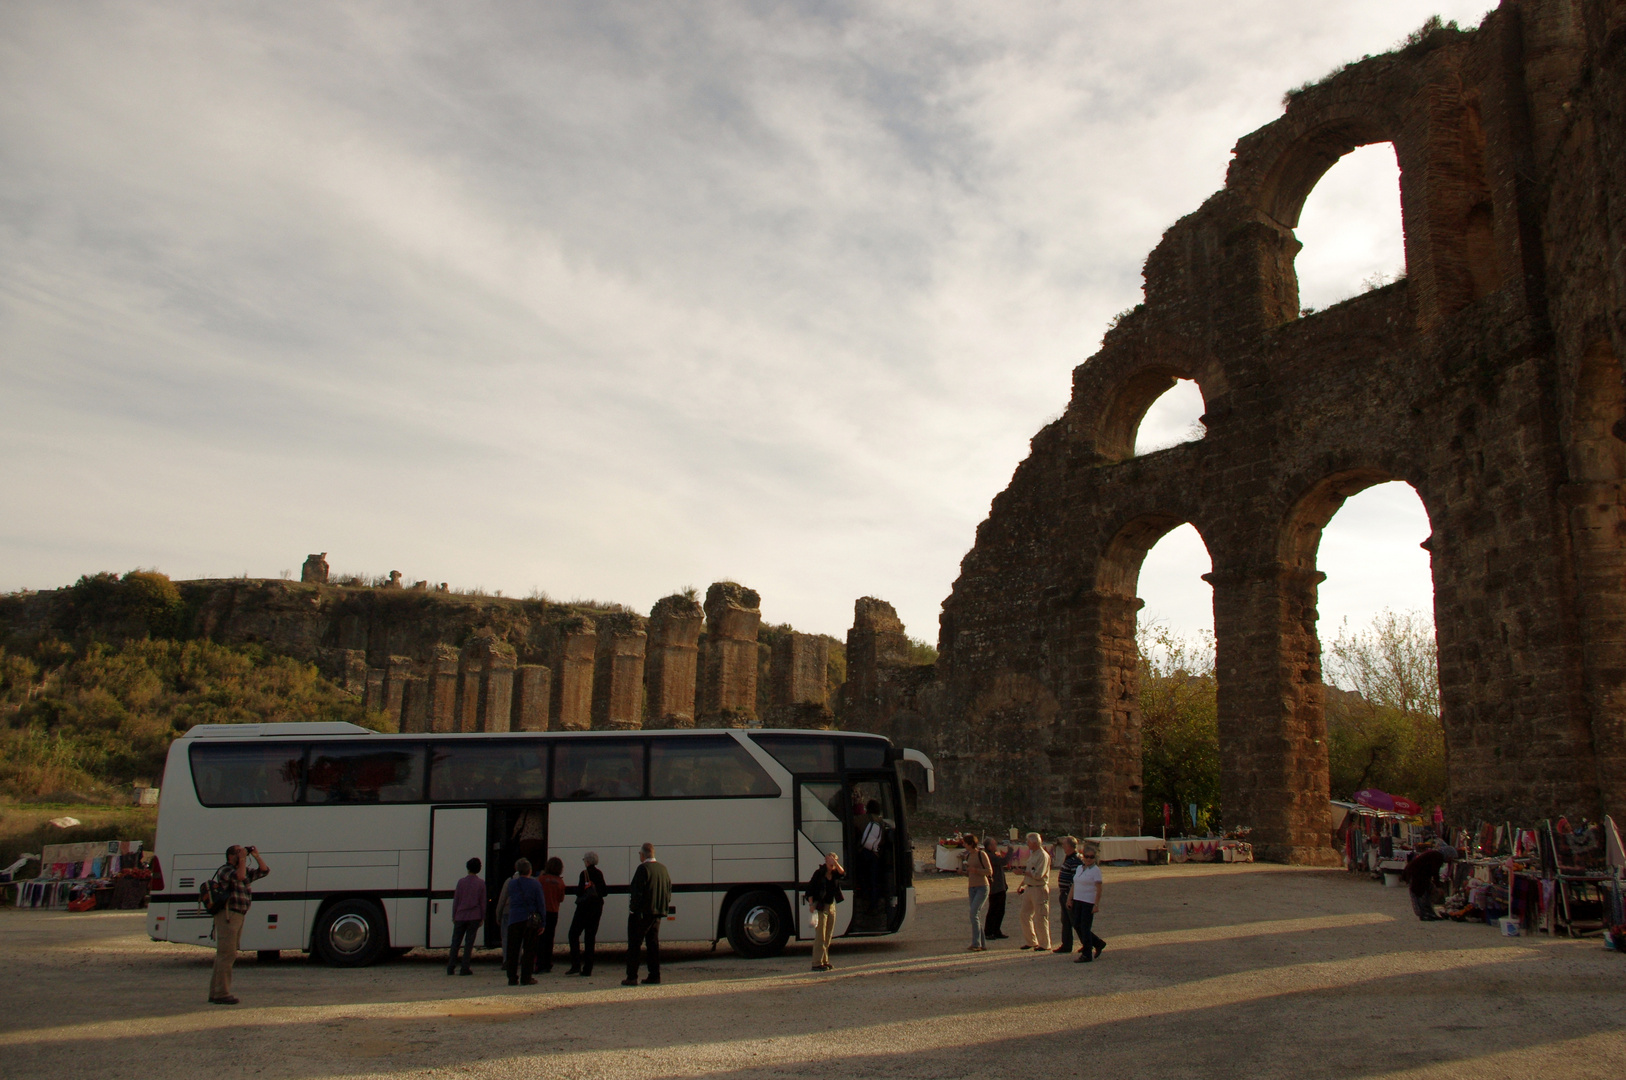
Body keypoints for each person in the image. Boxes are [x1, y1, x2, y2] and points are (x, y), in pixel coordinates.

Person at [208, 844, 269, 1005]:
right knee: (227, 954)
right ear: (230, 856)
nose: (241, 853)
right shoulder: (225, 870)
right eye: (237, 852)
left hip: (239, 915)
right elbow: (240, 877)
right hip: (228, 915)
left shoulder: (241, 869)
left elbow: (264, 871)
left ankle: (215, 992)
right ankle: (221, 993)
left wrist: (255, 856)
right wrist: (242, 859)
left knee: (226, 954)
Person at [623, 842, 671, 986]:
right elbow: (668, 890)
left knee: (635, 945)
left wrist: (633, 909)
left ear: (643, 854)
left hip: (642, 913)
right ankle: (654, 975)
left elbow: (637, 891)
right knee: (653, 944)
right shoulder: (663, 869)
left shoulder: (643, 869)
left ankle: (632, 976)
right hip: (657, 913)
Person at [566, 851, 608, 976]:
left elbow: (579, 891)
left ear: (587, 861)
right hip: (596, 908)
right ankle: (588, 968)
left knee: (573, 934)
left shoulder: (584, 874)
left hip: (584, 908)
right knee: (590, 938)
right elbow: (604, 892)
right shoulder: (599, 873)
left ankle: (576, 964)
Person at [504, 858, 545, 986]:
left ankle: (512, 977)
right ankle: (526, 977)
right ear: (530, 870)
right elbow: (541, 904)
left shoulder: (512, 884)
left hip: (514, 918)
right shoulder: (535, 884)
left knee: (513, 950)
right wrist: (543, 922)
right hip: (529, 920)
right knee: (529, 950)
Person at [805, 850, 846, 971]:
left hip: (831, 906)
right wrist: (811, 904)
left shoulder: (835, 873)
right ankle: (816, 963)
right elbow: (810, 890)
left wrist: (836, 863)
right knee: (820, 936)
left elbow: (843, 873)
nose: (832, 864)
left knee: (828, 935)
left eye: (834, 861)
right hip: (821, 907)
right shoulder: (819, 873)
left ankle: (824, 960)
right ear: (825, 861)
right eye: (830, 861)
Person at [447, 856, 485, 976]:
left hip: (460, 915)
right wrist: (482, 917)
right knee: (469, 943)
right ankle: (465, 967)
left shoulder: (461, 882)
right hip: (474, 916)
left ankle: (451, 966)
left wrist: (454, 915)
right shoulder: (481, 883)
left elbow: (456, 900)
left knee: (456, 942)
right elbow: (482, 902)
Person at [1070, 843, 1107, 962]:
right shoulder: (1080, 868)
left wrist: (1096, 904)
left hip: (1088, 901)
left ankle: (1087, 953)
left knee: (1085, 927)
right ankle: (1096, 943)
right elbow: (1074, 884)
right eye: (1087, 856)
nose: (1089, 859)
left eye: (1091, 857)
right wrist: (1069, 898)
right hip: (1078, 899)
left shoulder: (1096, 871)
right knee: (1076, 924)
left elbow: (1099, 888)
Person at [1401, 841, 1453, 921]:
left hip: (1418, 874)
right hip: (1417, 874)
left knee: (1425, 893)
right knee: (1421, 894)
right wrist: (1438, 887)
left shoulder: (1436, 855)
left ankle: (1428, 913)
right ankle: (1424, 914)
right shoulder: (1437, 856)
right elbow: (1435, 872)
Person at [1017, 831, 1052, 951]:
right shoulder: (1033, 854)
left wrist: (1022, 872)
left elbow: (1038, 874)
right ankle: (1031, 941)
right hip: (1030, 887)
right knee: (1024, 914)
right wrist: (1022, 884)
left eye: (1028, 842)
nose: (1027, 844)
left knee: (1041, 916)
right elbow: (1029, 871)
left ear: (1034, 842)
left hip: (1039, 888)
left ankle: (1044, 943)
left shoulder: (1043, 855)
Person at [961, 833, 993, 951]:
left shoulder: (981, 854)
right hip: (972, 887)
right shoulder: (968, 855)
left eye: (965, 843)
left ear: (970, 844)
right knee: (976, 915)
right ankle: (981, 944)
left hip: (982, 887)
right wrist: (963, 872)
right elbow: (970, 873)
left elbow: (989, 871)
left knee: (973, 914)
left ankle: (976, 943)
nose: (963, 845)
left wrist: (975, 870)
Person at [1052, 836, 1081, 954]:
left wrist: (1070, 895)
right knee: (1066, 921)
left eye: (1064, 844)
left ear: (1069, 846)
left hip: (1069, 895)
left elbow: (1076, 879)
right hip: (1064, 893)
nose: (1063, 846)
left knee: (1075, 921)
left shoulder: (1075, 860)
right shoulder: (1069, 858)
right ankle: (1066, 944)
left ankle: (1090, 942)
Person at [857, 800, 887, 913]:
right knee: (874, 879)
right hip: (875, 855)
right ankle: (873, 905)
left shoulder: (861, 819)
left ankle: (864, 897)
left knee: (862, 876)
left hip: (862, 853)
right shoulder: (881, 822)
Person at [537, 856, 567, 972]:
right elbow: (561, 899)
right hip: (553, 912)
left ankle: (539, 963)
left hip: (541, 912)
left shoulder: (541, 880)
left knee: (540, 939)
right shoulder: (560, 882)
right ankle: (547, 963)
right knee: (550, 938)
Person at [982, 837, 1009, 940]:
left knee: (1000, 910)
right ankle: (989, 931)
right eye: (994, 844)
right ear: (989, 846)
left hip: (1000, 886)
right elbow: (1004, 861)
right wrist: (1010, 851)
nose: (996, 845)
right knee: (993, 909)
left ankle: (996, 930)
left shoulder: (992, 855)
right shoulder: (989, 856)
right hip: (995, 887)